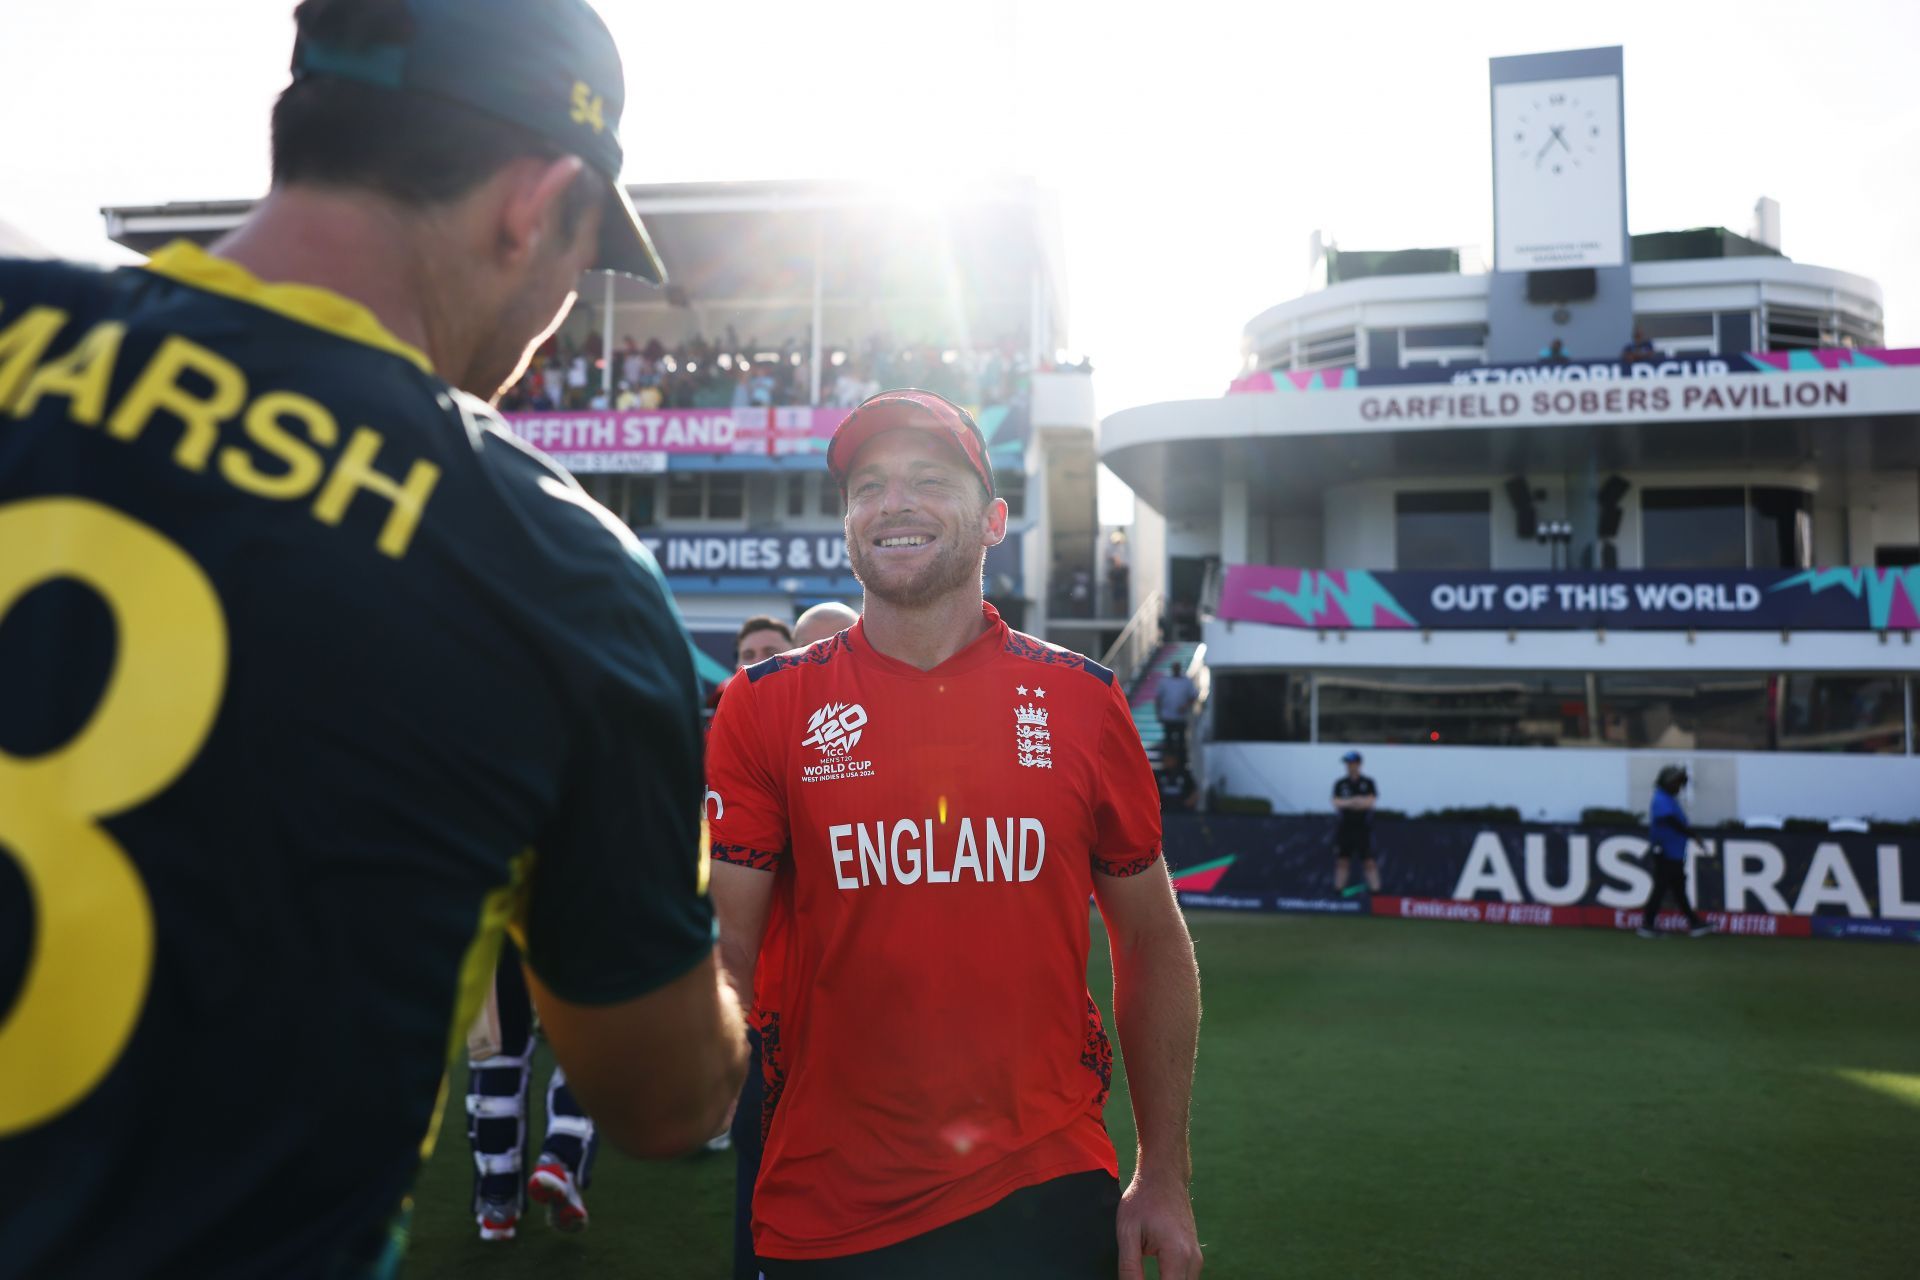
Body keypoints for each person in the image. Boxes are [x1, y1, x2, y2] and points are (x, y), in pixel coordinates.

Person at [0, 1, 749, 1274]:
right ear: (534, 204)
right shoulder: (559, 571)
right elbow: (672, 1100)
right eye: (583, 258)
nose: (564, 306)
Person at [706, 388, 1204, 1279]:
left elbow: (1151, 936)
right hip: (825, 1205)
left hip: (1043, 1189)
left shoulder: (1083, 701)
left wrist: (1162, 1172)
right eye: (868, 486)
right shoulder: (764, 704)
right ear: (848, 523)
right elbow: (726, 945)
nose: (892, 502)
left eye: (929, 478)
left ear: (994, 519)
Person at [465, 947, 600, 1240]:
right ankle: (560, 1157)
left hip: (486, 911)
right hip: (573, 911)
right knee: (591, 1035)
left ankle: (497, 1204)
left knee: (495, 1052)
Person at [1640, 765, 1715, 938]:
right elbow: (1671, 821)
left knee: (1677, 888)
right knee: (1663, 887)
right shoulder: (1661, 798)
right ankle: (1648, 924)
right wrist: (1693, 835)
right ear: (1667, 782)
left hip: (1674, 851)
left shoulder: (1667, 798)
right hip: (1666, 851)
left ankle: (1694, 923)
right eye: (1676, 783)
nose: (1679, 787)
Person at [1332, 751, 1380, 895]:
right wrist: (1355, 801)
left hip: (1362, 828)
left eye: (1352, 763)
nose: (1349, 766)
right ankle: (1338, 893)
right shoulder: (1340, 783)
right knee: (1342, 861)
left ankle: (1375, 892)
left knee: (1369, 862)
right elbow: (1337, 802)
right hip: (1345, 827)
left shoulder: (1368, 782)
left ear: (1358, 764)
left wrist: (1351, 802)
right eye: (1347, 763)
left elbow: (1370, 802)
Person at [1156, 660, 1199, 760]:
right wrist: (1158, 713)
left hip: (1181, 718)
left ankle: (1181, 763)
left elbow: (1193, 696)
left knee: (1181, 742)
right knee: (1168, 742)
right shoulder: (1165, 681)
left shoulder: (1186, 681)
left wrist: (1185, 706)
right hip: (1168, 717)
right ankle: (1168, 763)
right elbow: (1158, 698)